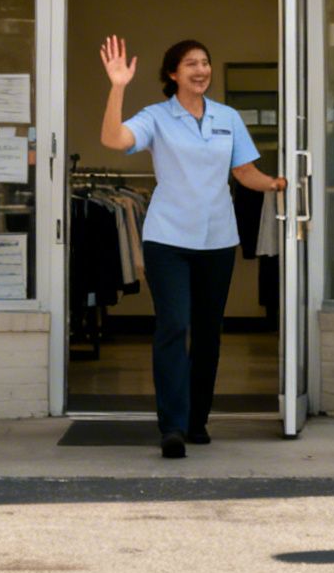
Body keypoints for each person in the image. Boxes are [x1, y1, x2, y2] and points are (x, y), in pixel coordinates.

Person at [100, 35, 285, 459]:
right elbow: (114, 139)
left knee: (208, 333)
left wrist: (279, 184)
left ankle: (198, 419)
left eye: (205, 63)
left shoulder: (227, 117)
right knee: (174, 325)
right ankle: (173, 426)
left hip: (218, 239)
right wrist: (117, 86)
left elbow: (244, 172)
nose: (201, 70)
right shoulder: (157, 117)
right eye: (190, 64)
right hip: (168, 238)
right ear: (172, 74)